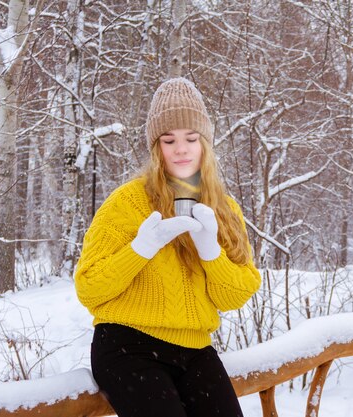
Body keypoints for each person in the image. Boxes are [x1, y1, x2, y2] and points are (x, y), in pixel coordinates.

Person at [75, 77, 261, 417]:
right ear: (155, 147)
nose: (181, 149)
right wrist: (141, 249)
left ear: (205, 143)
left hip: (195, 349)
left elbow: (233, 296)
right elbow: (89, 289)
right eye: (169, 139)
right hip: (128, 346)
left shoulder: (224, 208)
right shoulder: (126, 202)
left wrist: (211, 252)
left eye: (191, 138)